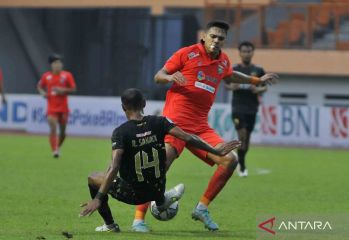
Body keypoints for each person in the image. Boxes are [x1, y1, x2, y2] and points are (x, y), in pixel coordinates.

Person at [131, 20, 279, 232]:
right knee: (160, 165)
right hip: (175, 124)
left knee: (230, 160)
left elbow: (231, 74)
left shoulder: (223, 61)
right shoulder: (187, 53)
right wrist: (171, 76)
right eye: (213, 36)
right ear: (204, 37)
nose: (216, 41)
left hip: (200, 127)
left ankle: (201, 208)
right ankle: (138, 220)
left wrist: (257, 80)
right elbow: (158, 76)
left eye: (221, 38)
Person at [79, 88, 240, 233]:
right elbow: (188, 137)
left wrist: (98, 199)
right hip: (156, 190)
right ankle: (163, 199)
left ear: (123, 107)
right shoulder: (160, 122)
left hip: (133, 195)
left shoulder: (121, 132)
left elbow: (114, 167)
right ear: (144, 103)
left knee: (93, 177)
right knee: (151, 169)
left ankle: (110, 225)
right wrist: (215, 150)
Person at [225, 41, 267, 177]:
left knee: (246, 140)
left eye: (249, 51)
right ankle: (241, 166)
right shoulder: (234, 69)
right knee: (241, 134)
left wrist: (258, 89)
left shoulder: (259, 70)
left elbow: (265, 87)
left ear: (252, 53)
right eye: (244, 51)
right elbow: (226, 84)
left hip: (252, 108)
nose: (246, 54)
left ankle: (242, 162)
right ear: (240, 53)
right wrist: (233, 87)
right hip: (238, 107)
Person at [37, 54, 76, 158]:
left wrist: (63, 90)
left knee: (63, 133)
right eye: (55, 63)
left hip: (63, 108)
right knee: (53, 128)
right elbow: (40, 86)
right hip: (51, 108)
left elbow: (73, 89)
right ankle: (54, 150)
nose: (58, 65)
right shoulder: (46, 76)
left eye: (59, 63)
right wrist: (42, 93)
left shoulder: (67, 75)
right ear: (51, 65)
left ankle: (57, 147)